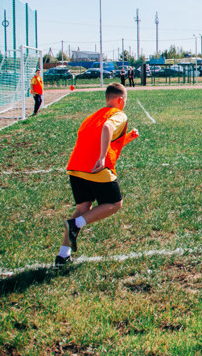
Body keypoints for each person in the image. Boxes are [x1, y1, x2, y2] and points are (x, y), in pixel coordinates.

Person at [55, 83, 139, 267]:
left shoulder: (91, 117)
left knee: (82, 208)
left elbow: (100, 139)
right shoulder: (119, 115)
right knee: (115, 204)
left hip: (76, 167)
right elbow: (108, 128)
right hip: (96, 168)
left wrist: (126, 139)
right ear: (120, 100)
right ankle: (76, 225)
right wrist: (101, 158)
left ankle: (63, 255)